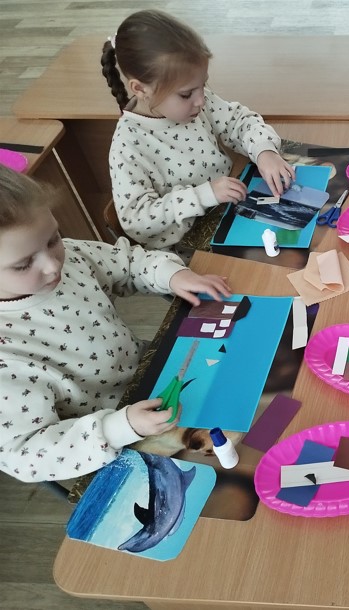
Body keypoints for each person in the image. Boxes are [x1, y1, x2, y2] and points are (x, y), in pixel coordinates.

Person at [0, 165, 232, 483]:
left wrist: (172, 275)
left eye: (53, 239)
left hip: (158, 374)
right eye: (24, 264)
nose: (52, 265)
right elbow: (25, 455)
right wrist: (118, 428)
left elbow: (129, 262)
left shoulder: (71, 258)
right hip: (114, 443)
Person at [101, 9, 295, 250]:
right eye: (186, 94)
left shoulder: (196, 102)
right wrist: (204, 195)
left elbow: (238, 121)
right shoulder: (128, 145)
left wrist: (264, 150)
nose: (201, 100)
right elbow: (137, 220)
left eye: (203, 85)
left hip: (230, 212)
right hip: (188, 250)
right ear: (140, 89)